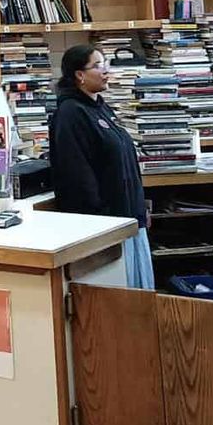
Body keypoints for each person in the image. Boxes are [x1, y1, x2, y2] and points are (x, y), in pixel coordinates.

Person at [49, 44, 154, 288]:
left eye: (105, 63)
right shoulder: (71, 113)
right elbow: (76, 175)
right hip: (107, 226)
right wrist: (101, 221)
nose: (105, 71)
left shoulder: (100, 106)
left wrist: (141, 205)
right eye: (97, 65)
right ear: (79, 75)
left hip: (128, 217)